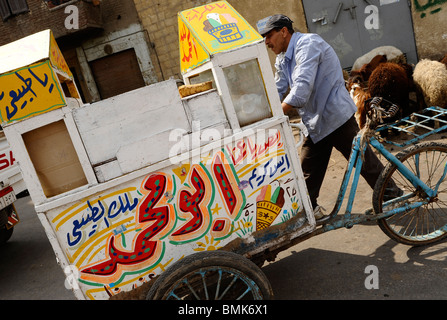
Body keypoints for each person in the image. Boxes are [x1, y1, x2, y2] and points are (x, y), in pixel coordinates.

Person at [256, 14, 398, 220]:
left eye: (269, 36)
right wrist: (261, 114)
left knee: (363, 161)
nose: (266, 42)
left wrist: (279, 112)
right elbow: (277, 88)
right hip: (314, 121)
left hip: (335, 116)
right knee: (308, 169)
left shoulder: (308, 44)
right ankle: (309, 210)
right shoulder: (282, 58)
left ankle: (393, 197)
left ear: (284, 32)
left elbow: (302, 87)